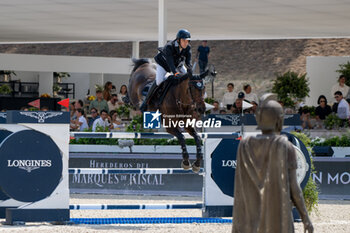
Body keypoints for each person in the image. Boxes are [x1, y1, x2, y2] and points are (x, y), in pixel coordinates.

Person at [232, 93, 313, 233]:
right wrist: (305, 218)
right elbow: (294, 187)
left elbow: (239, 188)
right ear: (279, 120)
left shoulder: (244, 146)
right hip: (277, 221)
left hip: (249, 222)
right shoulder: (285, 146)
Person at [140, 29, 193, 112]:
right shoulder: (169, 47)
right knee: (159, 81)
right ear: (178, 40)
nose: (186, 43)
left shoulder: (188, 47)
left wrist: (190, 70)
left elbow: (188, 61)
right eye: (184, 40)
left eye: (187, 41)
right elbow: (170, 63)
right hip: (164, 64)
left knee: (188, 78)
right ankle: (146, 101)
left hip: (177, 64)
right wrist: (175, 73)